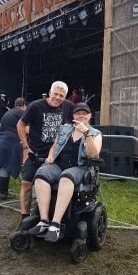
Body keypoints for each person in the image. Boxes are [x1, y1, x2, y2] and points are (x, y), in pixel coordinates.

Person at [28, 102, 102, 242]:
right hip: (59, 165)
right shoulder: (64, 129)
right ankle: (44, 220)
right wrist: (50, 156)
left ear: (89, 116)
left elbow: (94, 154)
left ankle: (55, 224)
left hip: (80, 168)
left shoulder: (95, 133)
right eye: (78, 113)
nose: (81, 116)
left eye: (84, 113)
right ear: (73, 115)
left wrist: (86, 132)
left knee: (66, 177)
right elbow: (54, 146)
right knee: (40, 174)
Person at [17, 81, 75, 227]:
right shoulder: (36, 106)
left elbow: (81, 118)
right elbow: (20, 124)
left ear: (65, 96)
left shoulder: (68, 106)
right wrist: (25, 147)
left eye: (61, 95)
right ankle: (25, 219)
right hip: (35, 151)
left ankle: (52, 217)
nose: (58, 97)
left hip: (57, 153)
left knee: (54, 183)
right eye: (55, 94)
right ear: (49, 92)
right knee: (26, 183)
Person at [0, 97, 28, 200]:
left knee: (4, 165)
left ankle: (2, 193)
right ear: (24, 106)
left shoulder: (8, 112)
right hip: (12, 142)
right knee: (21, 165)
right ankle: (26, 193)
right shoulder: (21, 113)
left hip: (2, 141)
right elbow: (27, 129)